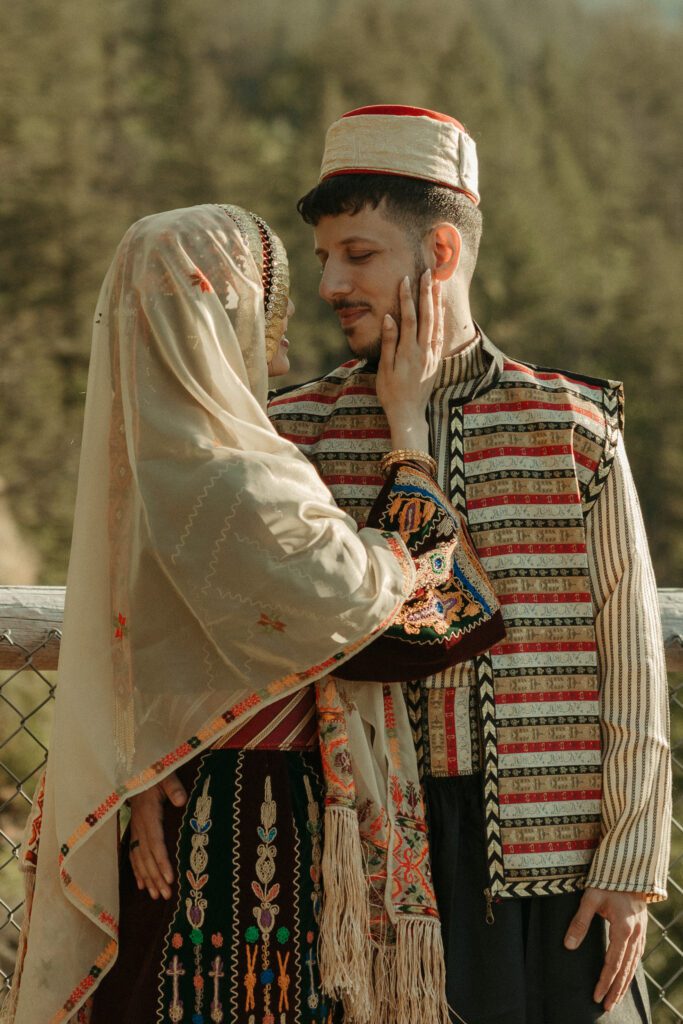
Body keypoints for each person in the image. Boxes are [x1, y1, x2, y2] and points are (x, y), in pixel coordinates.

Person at [4, 202, 504, 1024]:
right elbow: (403, 627)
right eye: (265, 295)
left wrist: (139, 783)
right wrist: (408, 432)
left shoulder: (144, 472)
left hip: (163, 802)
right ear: (215, 307)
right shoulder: (239, 480)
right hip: (245, 817)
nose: (287, 318)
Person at [268, 104, 672, 1024]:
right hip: (359, 861)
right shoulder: (294, 432)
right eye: (324, 255)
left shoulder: (570, 425)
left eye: (358, 254)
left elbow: (632, 657)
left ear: (440, 252)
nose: (330, 280)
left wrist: (630, 864)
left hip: (552, 866)